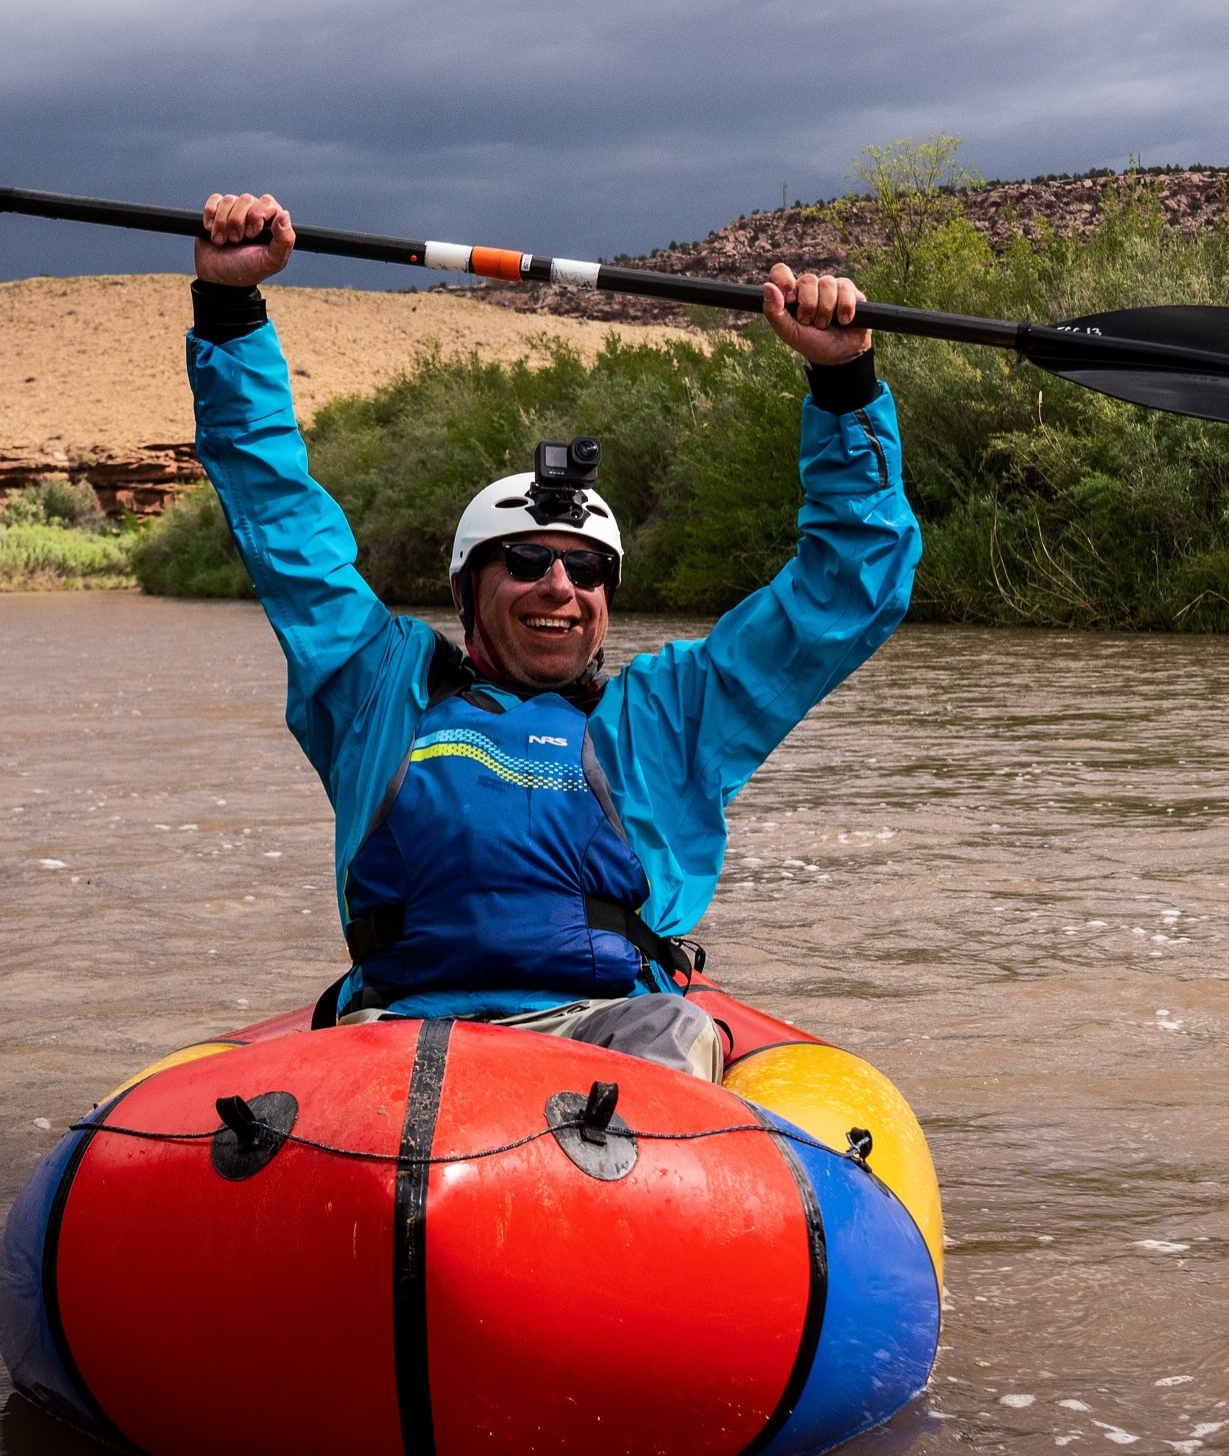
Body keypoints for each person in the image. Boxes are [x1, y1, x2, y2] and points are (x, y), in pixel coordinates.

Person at [187, 191, 921, 1081]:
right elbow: (281, 515)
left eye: (588, 570)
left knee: (674, 1041)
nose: (560, 588)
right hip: (399, 1037)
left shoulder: (673, 715)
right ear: (468, 589)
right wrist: (231, 311)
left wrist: (844, 384)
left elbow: (850, 588)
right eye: (527, 561)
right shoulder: (378, 685)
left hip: (614, 1035)